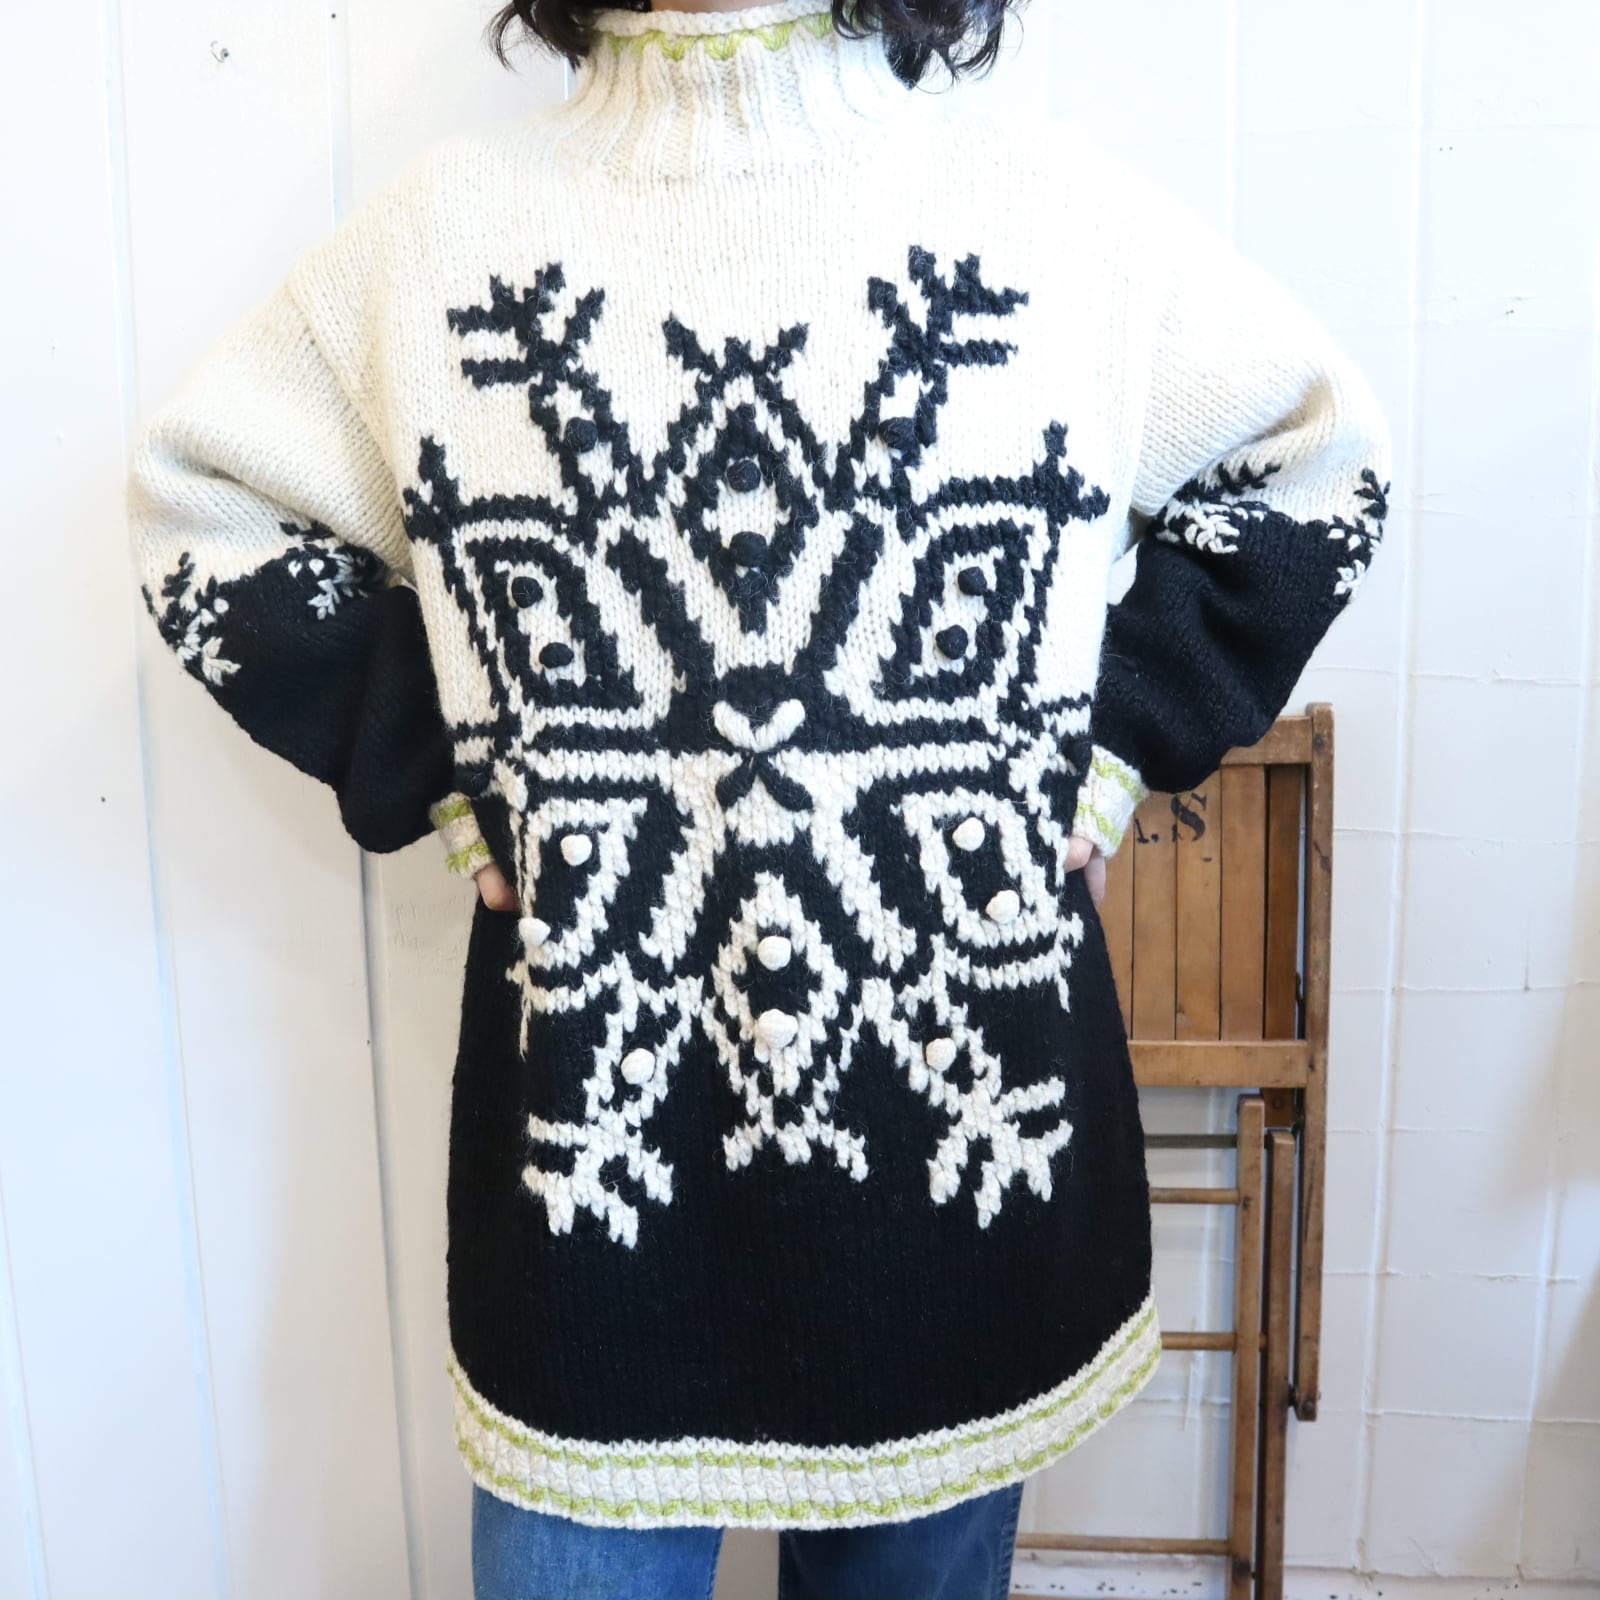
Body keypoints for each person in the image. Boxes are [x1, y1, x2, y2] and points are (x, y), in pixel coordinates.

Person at [124, 0, 1393, 1594]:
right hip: (602, 1213)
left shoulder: (1058, 222)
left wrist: (1109, 740)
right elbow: (203, 503)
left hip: (944, 1198)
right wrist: (428, 761)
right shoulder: (439, 243)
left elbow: (1316, 462)